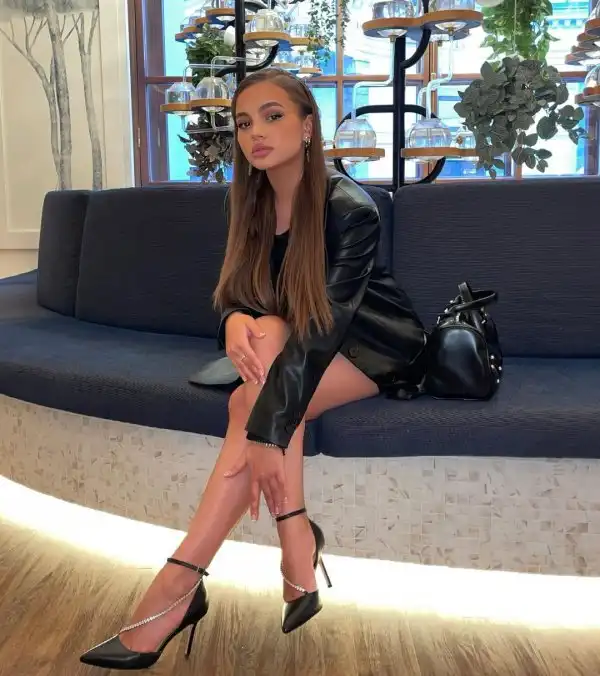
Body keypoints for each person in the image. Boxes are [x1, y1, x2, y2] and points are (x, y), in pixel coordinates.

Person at [80, 67, 427, 671]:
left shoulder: (352, 208)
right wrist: (235, 318)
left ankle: (182, 582)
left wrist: (270, 430)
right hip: (289, 342)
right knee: (260, 346)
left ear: (308, 126)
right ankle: (292, 545)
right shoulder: (246, 199)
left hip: (371, 344)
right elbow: (239, 291)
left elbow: (325, 328)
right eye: (243, 123)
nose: (255, 134)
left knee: (250, 403)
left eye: (273, 116)